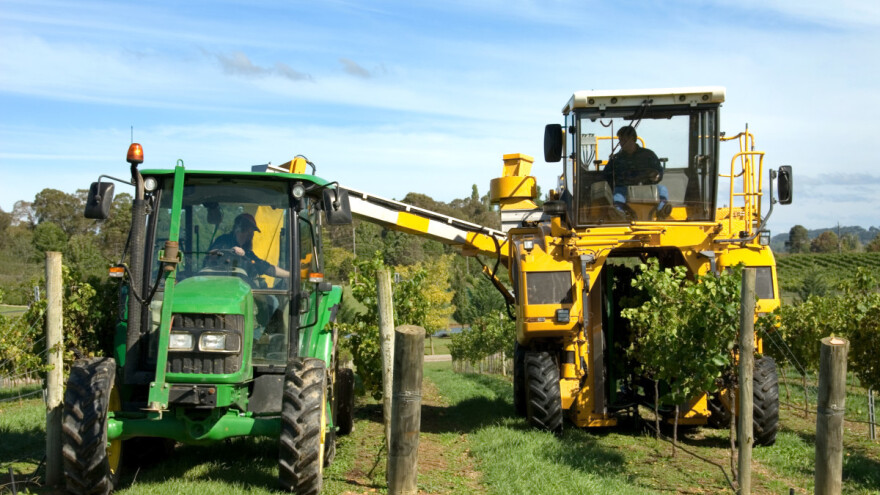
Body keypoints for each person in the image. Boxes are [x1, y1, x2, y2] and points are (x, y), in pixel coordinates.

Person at [602, 126, 670, 218]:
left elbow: (659, 171)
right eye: (620, 140)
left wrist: (655, 175)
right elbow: (605, 175)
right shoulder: (616, 159)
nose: (621, 143)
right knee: (617, 195)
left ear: (633, 139)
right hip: (624, 189)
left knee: (662, 189)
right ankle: (619, 214)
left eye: (624, 140)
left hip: (647, 187)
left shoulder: (648, 155)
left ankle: (662, 211)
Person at [209, 213, 291, 280]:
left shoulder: (247, 253)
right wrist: (230, 251)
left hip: (241, 286)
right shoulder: (223, 240)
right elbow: (211, 254)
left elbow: (266, 268)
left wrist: (292, 275)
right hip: (218, 283)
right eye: (251, 230)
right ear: (240, 227)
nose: (252, 234)